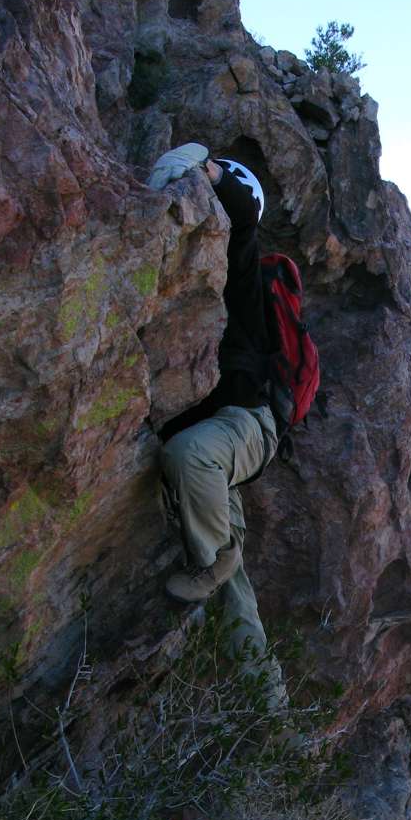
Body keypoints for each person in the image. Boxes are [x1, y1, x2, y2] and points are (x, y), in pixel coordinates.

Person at [148, 142, 285, 700]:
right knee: (235, 596)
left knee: (191, 457)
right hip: (223, 439)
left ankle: (216, 560)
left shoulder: (242, 274)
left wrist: (208, 168)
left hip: (246, 425)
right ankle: (268, 711)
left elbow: (246, 219)